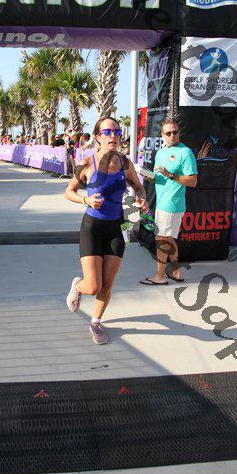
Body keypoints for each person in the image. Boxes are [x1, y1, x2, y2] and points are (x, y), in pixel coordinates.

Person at [65, 116, 148, 345]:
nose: (113, 136)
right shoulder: (86, 163)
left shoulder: (125, 163)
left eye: (117, 132)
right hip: (92, 227)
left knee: (108, 284)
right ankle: (78, 286)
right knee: (94, 286)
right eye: (108, 132)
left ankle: (96, 322)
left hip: (119, 227)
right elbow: (69, 192)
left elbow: (138, 187)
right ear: (97, 137)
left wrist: (141, 200)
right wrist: (86, 201)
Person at [140, 117, 197, 286]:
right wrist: (149, 177)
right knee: (169, 238)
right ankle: (176, 272)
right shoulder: (161, 152)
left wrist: (171, 175)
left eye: (175, 132)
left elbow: (193, 181)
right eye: (168, 133)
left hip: (172, 204)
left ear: (179, 133)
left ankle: (160, 276)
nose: (172, 135)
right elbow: (160, 177)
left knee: (161, 239)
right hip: (162, 202)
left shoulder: (185, 152)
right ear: (162, 135)